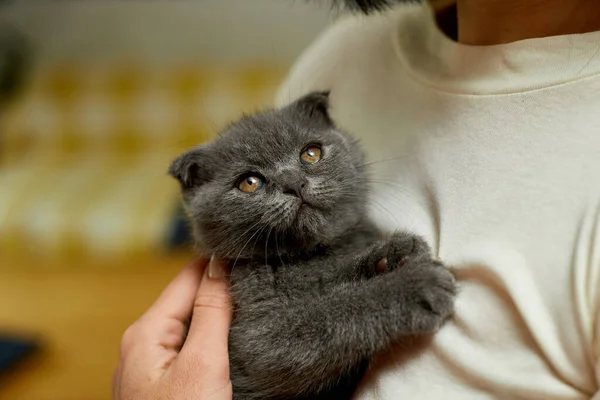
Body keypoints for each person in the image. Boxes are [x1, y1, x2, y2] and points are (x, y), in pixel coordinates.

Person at [113, 0, 600, 398]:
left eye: (308, 153)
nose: (293, 183)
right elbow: (271, 349)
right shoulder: (347, 50)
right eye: (250, 183)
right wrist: (383, 296)